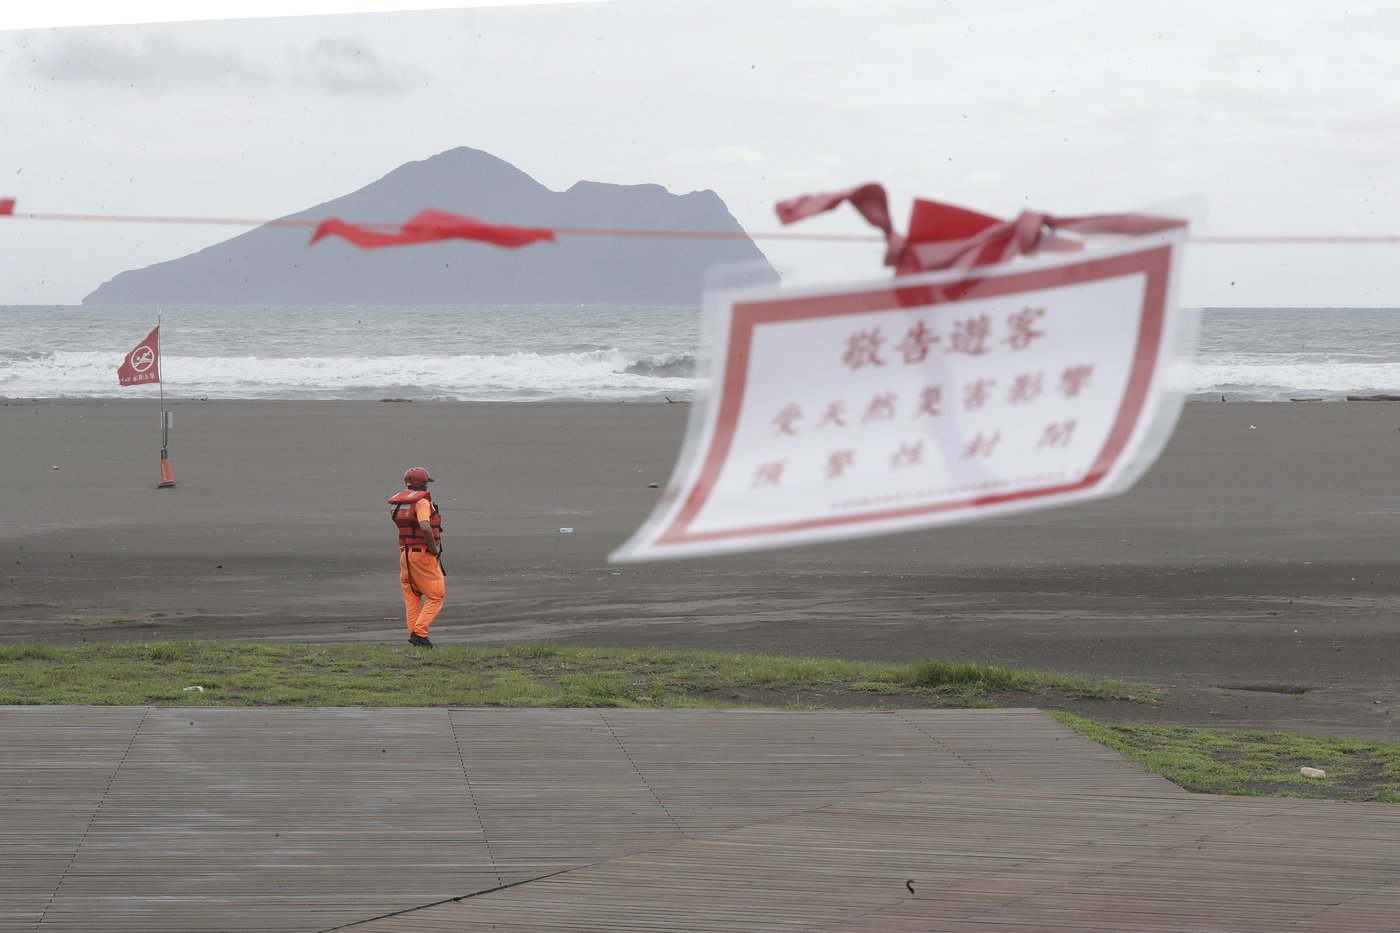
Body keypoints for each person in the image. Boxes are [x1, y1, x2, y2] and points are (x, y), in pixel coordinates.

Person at [388, 466, 445, 647]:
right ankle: (420, 634)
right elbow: (425, 525)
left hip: (405, 556)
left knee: (413, 597)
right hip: (422, 556)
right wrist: (433, 548)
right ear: (423, 484)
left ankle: (415, 637)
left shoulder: (400, 503)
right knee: (436, 596)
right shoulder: (421, 503)